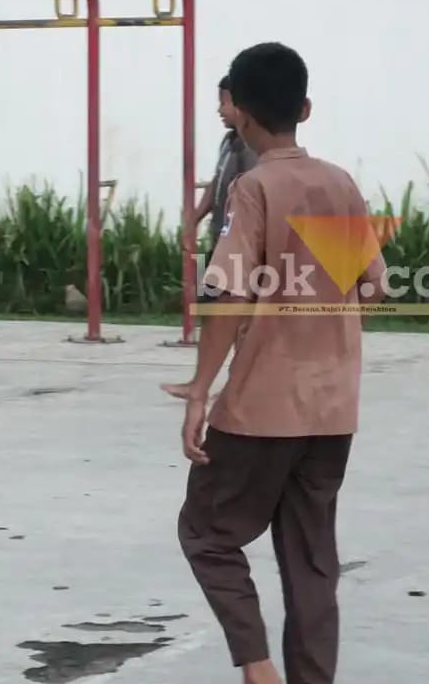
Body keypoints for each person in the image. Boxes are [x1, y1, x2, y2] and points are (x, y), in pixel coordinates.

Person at [161, 42, 386, 684]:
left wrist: (201, 389)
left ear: (239, 111)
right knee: (312, 559)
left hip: (262, 407)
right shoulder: (337, 183)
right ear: (304, 109)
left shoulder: (254, 187)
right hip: (333, 407)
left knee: (206, 532)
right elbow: (373, 286)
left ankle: (258, 667)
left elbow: (229, 294)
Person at [193, 75, 258, 301]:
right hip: (220, 238)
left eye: (224, 103)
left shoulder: (250, 149)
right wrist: (194, 218)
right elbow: (216, 181)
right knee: (206, 297)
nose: (219, 110)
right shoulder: (228, 142)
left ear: (242, 107)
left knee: (221, 302)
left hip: (238, 245)